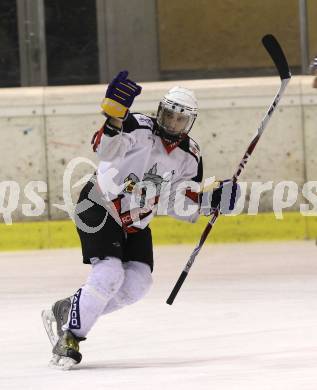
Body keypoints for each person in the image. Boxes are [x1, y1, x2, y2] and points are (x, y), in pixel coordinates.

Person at [42, 71, 240, 370]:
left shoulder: (190, 156)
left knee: (137, 284)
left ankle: (69, 309)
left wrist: (211, 201)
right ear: (159, 110)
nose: (172, 122)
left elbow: (178, 200)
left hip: (136, 220)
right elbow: (103, 149)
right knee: (108, 274)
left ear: (190, 122)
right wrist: (113, 120)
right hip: (100, 205)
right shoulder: (136, 126)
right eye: (168, 114)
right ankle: (70, 335)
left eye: (180, 119)